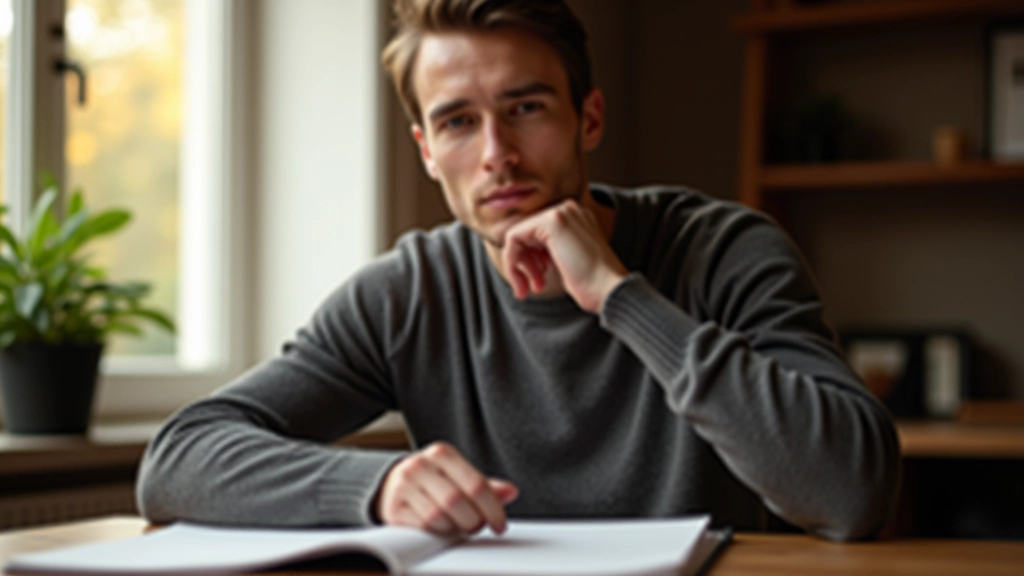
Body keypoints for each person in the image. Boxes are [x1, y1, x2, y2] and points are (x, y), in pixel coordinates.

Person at [137, 0, 901, 542]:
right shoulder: (412, 291)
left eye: (526, 108)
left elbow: (851, 491)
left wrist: (618, 296)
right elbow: (178, 458)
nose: (497, 153)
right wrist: (374, 488)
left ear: (589, 118)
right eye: (458, 122)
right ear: (427, 151)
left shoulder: (726, 249)